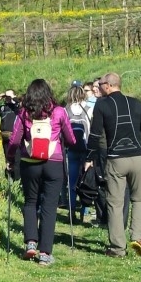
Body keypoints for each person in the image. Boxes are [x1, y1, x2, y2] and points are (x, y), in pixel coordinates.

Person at [6, 79, 78, 266]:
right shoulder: (59, 111)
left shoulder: (24, 112)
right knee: (49, 207)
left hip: (30, 163)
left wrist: (10, 159)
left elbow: (14, 139)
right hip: (53, 162)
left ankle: (31, 242)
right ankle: (45, 253)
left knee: (30, 202)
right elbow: (71, 139)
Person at [84, 73, 141, 258]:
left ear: (108, 85)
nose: (99, 86)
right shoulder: (136, 103)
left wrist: (89, 157)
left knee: (115, 202)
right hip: (138, 157)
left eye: (101, 84)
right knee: (140, 199)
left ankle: (117, 248)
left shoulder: (102, 104)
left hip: (116, 159)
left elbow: (95, 134)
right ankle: (138, 236)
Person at [62, 81, 92, 215]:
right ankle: (84, 210)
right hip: (86, 148)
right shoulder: (89, 108)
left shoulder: (65, 109)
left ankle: (72, 209)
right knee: (86, 180)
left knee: (72, 180)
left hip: (71, 149)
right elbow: (91, 131)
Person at [0, 89, 20, 164]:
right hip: (5, 137)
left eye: (9, 96)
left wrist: (13, 98)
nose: (7, 98)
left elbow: (24, 105)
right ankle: (9, 174)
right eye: (6, 96)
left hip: (16, 137)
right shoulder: (3, 108)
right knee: (8, 159)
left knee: (17, 159)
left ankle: (17, 174)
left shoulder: (18, 107)